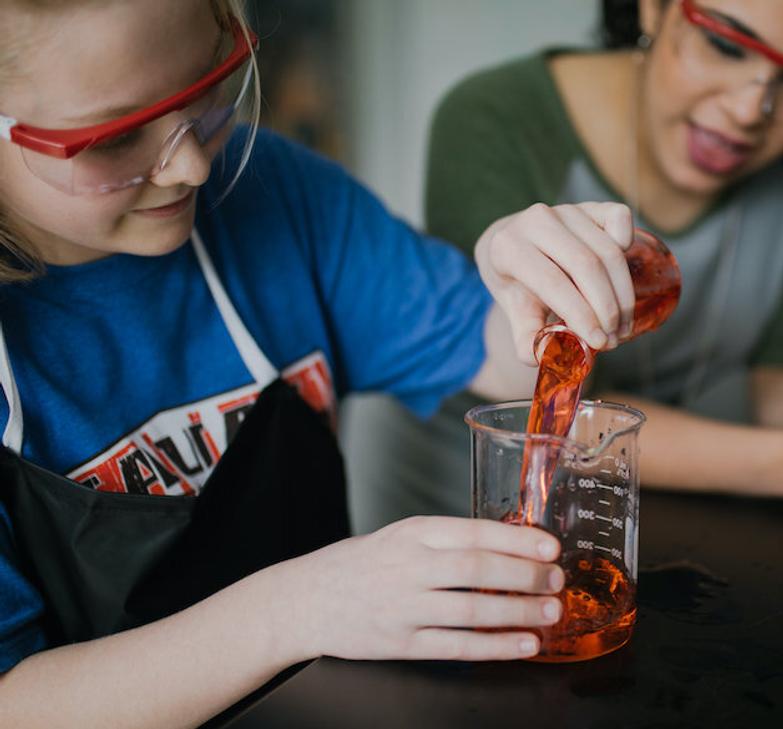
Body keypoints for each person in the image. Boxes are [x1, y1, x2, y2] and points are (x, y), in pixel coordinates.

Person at [0, 1, 643, 724]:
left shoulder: (272, 190)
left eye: (209, 89)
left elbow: (503, 362)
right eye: (115, 139)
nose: (190, 163)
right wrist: (296, 608)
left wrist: (530, 279)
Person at [369, 0, 783, 546]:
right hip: (458, 524)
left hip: (635, 529)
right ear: (653, 5)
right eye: (727, 46)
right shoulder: (495, 116)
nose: (751, 110)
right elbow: (550, 414)